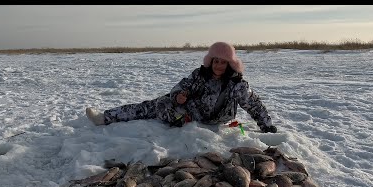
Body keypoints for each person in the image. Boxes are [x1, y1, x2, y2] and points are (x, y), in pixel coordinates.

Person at [86, 41, 277, 133]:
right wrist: (178, 97)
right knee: (155, 104)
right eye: (216, 61)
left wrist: (267, 126)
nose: (219, 65)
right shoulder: (199, 74)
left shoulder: (237, 85)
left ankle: (178, 122)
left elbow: (254, 104)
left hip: (214, 119)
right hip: (192, 111)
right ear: (210, 61)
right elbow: (179, 87)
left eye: (223, 62)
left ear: (230, 64)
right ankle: (105, 118)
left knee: (161, 106)